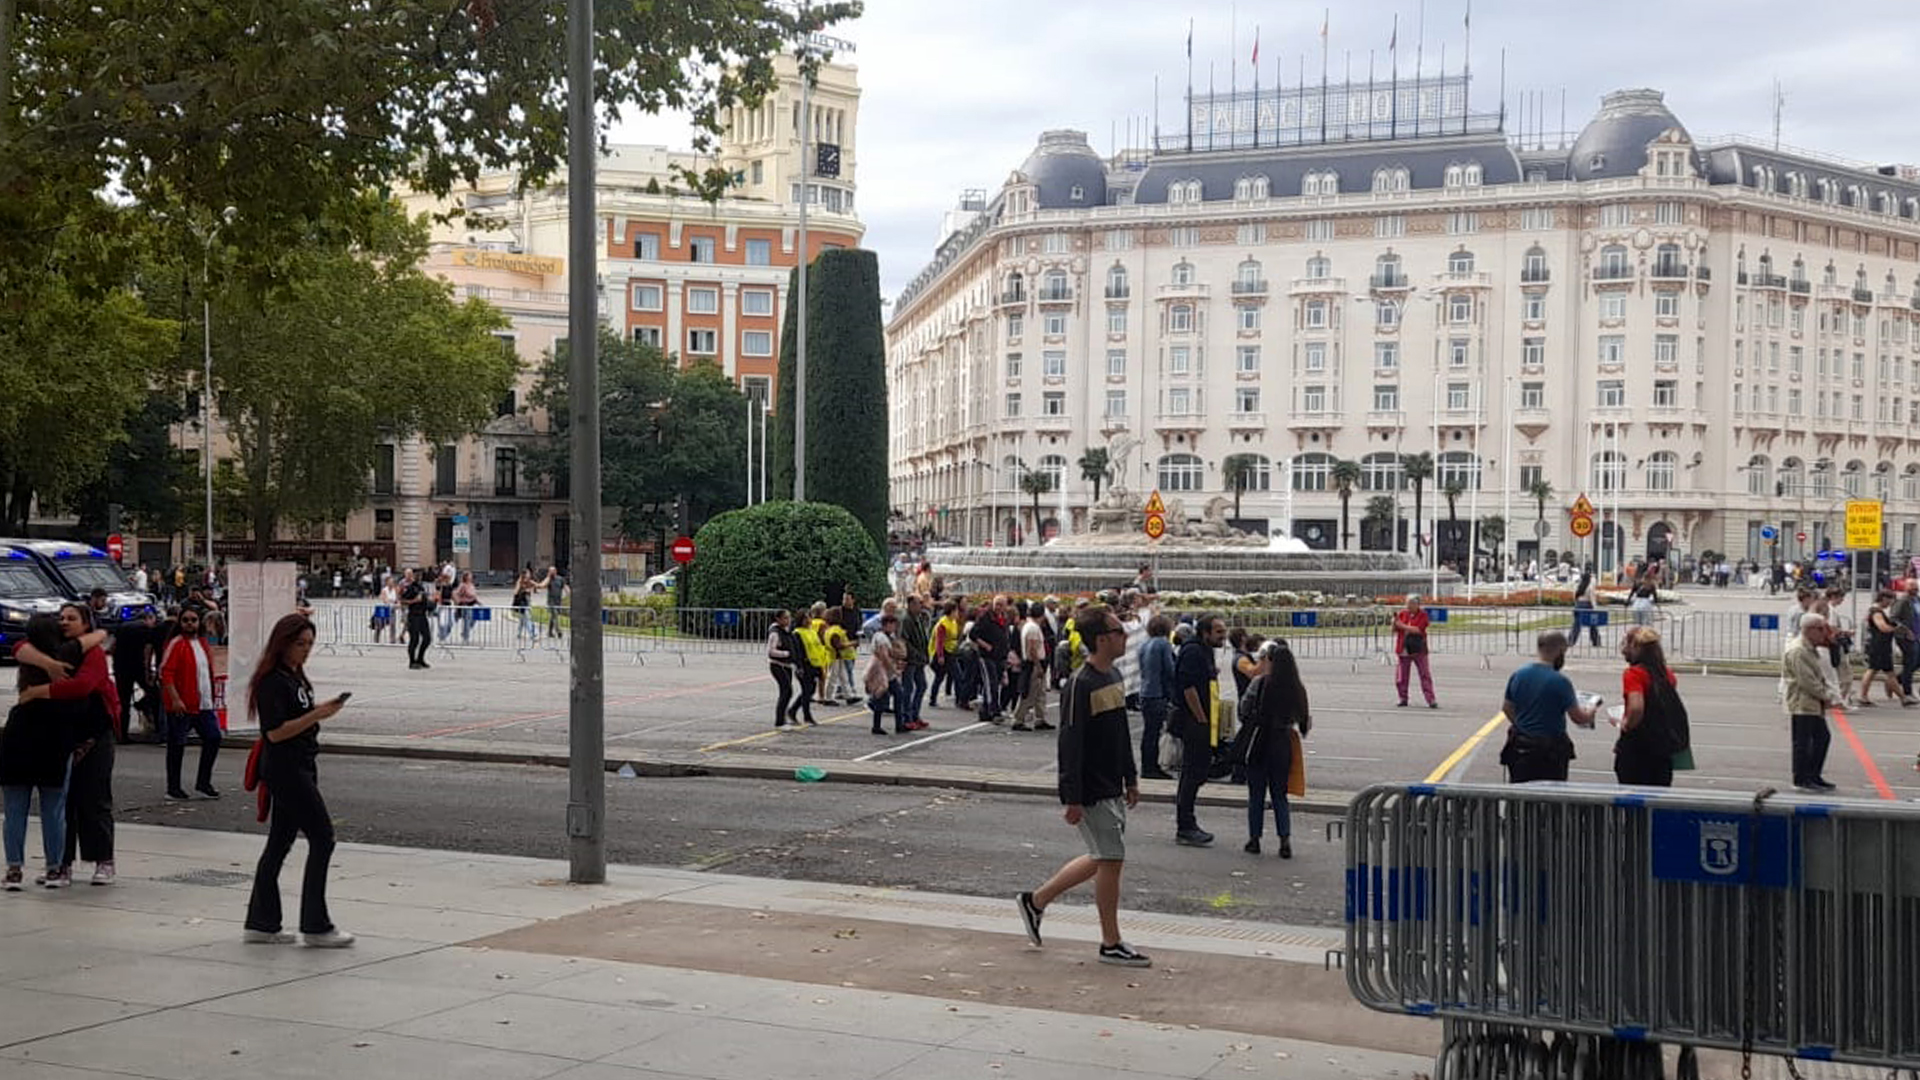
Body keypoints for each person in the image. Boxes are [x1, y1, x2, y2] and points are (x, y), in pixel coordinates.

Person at [1015, 603, 1150, 968]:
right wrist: (1072, 797)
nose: (1125, 636)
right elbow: (1069, 742)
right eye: (1120, 631)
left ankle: (1035, 901)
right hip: (1091, 787)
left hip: (1112, 784)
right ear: (1103, 640)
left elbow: (1120, 733)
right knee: (1111, 858)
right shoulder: (1081, 683)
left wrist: (1131, 777)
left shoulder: (1114, 677)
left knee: (1102, 856)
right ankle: (1111, 942)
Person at [243, 614, 354, 947]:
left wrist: (320, 711)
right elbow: (275, 732)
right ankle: (314, 924)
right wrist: (317, 715)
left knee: (280, 840)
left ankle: (261, 922)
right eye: (299, 644)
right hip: (286, 768)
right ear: (283, 643)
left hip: (300, 763)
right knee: (322, 836)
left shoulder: (294, 677)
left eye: (309, 645)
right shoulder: (272, 681)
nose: (305, 651)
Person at [12, 603, 119, 886]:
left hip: (95, 734)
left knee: (95, 798)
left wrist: (38, 691)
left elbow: (81, 686)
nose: (64, 622)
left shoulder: (92, 653)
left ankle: (103, 860)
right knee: (64, 802)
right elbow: (20, 646)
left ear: (86, 624)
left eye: (72, 618)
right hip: (63, 734)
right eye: (61, 617)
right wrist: (48, 665)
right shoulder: (54, 649)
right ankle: (62, 863)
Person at [3, 615, 78, 890]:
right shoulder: (68, 658)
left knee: (14, 809)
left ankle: (14, 869)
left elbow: (17, 646)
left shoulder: (25, 654)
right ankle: (54, 868)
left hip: (21, 730)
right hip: (55, 731)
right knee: (54, 809)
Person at [1238, 639, 1308, 858]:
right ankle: (1284, 840)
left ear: (1270, 661)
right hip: (1283, 742)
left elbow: (1244, 710)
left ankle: (1254, 839)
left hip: (1260, 740)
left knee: (1256, 794)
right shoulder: (1296, 687)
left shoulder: (1260, 683)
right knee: (1280, 794)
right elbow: (1304, 721)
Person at [1498, 631, 1597, 784]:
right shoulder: (1560, 681)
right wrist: (1591, 711)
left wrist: (1522, 724)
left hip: (1521, 746)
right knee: (1552, 795)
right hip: (1550, 749)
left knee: (1520, 794)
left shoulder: (1519, 675)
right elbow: (1578, 718)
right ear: (1560, 651)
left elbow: (1507, 708)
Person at [159, 606, 224, 800]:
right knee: (177, 746)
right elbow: (166, 673)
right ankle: (173, 787)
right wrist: (176, 699)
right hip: (182, 705)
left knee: (214, 738)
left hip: (203, 704)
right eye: (186, 620)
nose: (190, 623)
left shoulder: (203, 643)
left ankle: (203, 782)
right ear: (180, 622)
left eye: (193, 620)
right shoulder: (176, 644)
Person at [1172, 614, 1226, 846]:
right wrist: (1201, 719)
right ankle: (1185, 826)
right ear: (1205, 632)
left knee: (1198, 772)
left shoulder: (1204, 650)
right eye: (1219, 632)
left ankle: (1187, 823)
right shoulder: (1193, 651)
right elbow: (1188, 687)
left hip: (1203, 721)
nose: (1223, 636)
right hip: (1195, 722)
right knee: (1192, 774)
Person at [1615, 627, 1686, 787]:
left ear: (1636, 647)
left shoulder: (1634, 674)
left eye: (1626, 644)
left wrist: (1626, 724)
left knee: (1633, 797)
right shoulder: (1666, 674)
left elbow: (1636, 707)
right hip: (1661, 746)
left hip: (1638, 746)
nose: (1624, 650)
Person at [1783, 614, 1840, 792]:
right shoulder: (1799, 650)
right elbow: (1807, 681)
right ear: (1808, 630)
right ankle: (1801, 779)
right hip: (1803, 702)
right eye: (1820, 629)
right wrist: (1826, 696)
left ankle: (1813, 775)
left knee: (1821, 738)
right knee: (1803, 742)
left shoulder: (1809, 648)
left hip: (1811, 703)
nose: (1824, 633)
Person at [111, 610, 160, 743]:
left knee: (124, 701)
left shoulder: (122, 627)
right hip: (138, 667)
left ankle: (122, 735)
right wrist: (148, 670)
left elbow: (112, 647)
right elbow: (147, 651)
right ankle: (143, 706)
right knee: (154, 693)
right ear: (148, 618)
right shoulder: (147, 629)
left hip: (121, 667)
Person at [1137, 615, 1176, 780]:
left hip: (1145, 691)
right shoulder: (1163, 644)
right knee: (1155, 731)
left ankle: (1147, 765)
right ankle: (1152, 767)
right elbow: (1169, 669)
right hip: (1158, 692)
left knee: (1149, 732)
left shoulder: (1144, 644)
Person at [1857, 590, 1906, 707]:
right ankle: (1863, 696)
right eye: (1890, 600)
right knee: (1874, 670)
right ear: (1883, 598)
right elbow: (1882, 627)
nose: (1890, 603)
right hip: (1878, 646)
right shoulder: (1876, 612)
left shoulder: (1877, 611)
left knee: (1887, 672)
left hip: (1882, 646)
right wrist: (1896, 629)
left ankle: (1903, 698)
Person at [970, 596, 1012, 724]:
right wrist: (985, 645)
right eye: (997, 604)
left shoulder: (1003, 618)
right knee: (991, 683)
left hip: (999, 656)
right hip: (987, 656)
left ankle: (986, 711)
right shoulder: (985, 617)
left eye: (1001, 605)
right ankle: (995, 711)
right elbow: (973, 634)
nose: (998, 607)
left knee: (996, 683)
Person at [1011, 603, 1051, 732]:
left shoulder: (1029, 626)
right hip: (1034, 663)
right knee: (1029, 693)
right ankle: (1018, 719)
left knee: (1039, 693)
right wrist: (1038, 666)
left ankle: (1040, 718)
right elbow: (1032, 649)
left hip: (1034, 662)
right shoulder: (1033, 628)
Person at [1392, 595, 1438, 709]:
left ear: (1417, 604)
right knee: (1402, 676)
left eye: (1412, 603)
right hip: (1404, 648)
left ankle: (1430, 699)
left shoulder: (1423, 615)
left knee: (1424, 674)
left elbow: (1418, 629)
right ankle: (1403, 698)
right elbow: (1394, 630)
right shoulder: (1402, 614)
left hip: (1419, 649)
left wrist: (1401, 625)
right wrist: (1394, 622)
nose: (1409, 606)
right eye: (1407, 603)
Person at [864, 612, 905, 735]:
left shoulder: (887, 637)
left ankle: (899, 724)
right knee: (883, 697)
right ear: (886, 625)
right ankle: (877, 725)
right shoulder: (881, 637)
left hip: (886, 672)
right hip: (882, 671)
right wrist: (893, 669)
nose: (895, 628)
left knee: (897, 695)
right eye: (893, 625)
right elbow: (884, 656)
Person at [897, 594, 932, 729]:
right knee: (908, 688)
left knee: (921, 685)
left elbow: (923, 638)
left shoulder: (918, 618)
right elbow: (905, 641)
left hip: (919, 659)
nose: (920, 606)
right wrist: (916, 654)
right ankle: (907, 717)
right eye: (918, 604)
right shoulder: (906, 620)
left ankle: (914, 714)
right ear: (911, 605)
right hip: (911, 659)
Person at [785, 608, 818, 727]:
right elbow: (797, 651)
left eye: (809, 617)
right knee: (806, 689)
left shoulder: (811, 631)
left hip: (813, 664)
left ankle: (793, 710)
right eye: (805, 618)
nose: (808, 620)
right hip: (803, 665)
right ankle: (806, 716)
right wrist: (799, 666)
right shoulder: (797, 633)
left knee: (811, 689)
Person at [766, 610, 798, 728]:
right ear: (778, 619)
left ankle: (782, 718)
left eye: (789, 618)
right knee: (787, 691)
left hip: (787, 666)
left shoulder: (786, 631)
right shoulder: (775, 633)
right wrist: (786, 654)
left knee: (786, 692)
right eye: (785, 618)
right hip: (778, 665)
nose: (788, 620)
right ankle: (779, 721)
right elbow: (771, 651)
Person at [929, 599, 961, 709]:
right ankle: (933, 699)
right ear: (951, 611)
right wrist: (940, 655)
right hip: (944, 653)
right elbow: (939, 641)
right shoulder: (943, 623)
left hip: (951, 652)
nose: (958, 613)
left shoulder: (953, 622)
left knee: (948, 677)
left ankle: (957, 699)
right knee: (945, 676)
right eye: (956, 611)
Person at [401, 569, 433, 669]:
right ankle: (412, 661)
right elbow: (402, 600)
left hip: (423, 615)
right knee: (414, 639)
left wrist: (431, 602)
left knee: (427, 638)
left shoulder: (421, 587)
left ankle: (420, 658)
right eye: (417, 575)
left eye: (420, 575)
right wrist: (414, 601)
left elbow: (424, 601)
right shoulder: (410, 588)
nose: (419, 577)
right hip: (413, 615)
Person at [1570, 569, 1602, 646]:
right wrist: (1595, 607)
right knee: (1593, 624)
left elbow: (1575, 595)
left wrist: (1576, 604)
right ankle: (1596, 641)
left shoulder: (1580, 585)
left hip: (1579, 605)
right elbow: (1592, 596)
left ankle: (1571, 640)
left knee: (1576, 625)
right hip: (1587, 605)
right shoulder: (1590, 585)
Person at [511, 566, 538, 648]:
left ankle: (519, 633)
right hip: (522, 603)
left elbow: (539, 585)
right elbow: (515, 592)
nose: (529, 574)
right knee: (528, 619)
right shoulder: (520, 582)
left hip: (527, 602)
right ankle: (533, 634)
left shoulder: (529, 582)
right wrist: (522, 590)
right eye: (528, 573)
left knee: (522, 619)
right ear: (524, 575)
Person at [452, 571, 481, 644]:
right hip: (465, 605)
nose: (471, 576)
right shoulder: (462, 585)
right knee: (467, 621)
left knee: (473, 619)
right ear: (466, 577)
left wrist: (478, 602)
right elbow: (456, 593)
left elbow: (474, 595)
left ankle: (465, 632)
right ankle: (466, 637)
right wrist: (458, 602)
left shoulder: (471, 585)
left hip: (472, 604)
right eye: (469, 575)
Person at [544, 565, 568, 639]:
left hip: (558, 601)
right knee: (555, 616)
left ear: (556, 571)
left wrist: (569, 593)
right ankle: (559, 631)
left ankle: (550, 632)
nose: (551, 572)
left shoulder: (560, 579)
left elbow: (565, 586)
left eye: (553, 571)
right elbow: (543, 585)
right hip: (551, 602)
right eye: (550, 571)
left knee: (553, 617)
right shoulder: (548, 579)